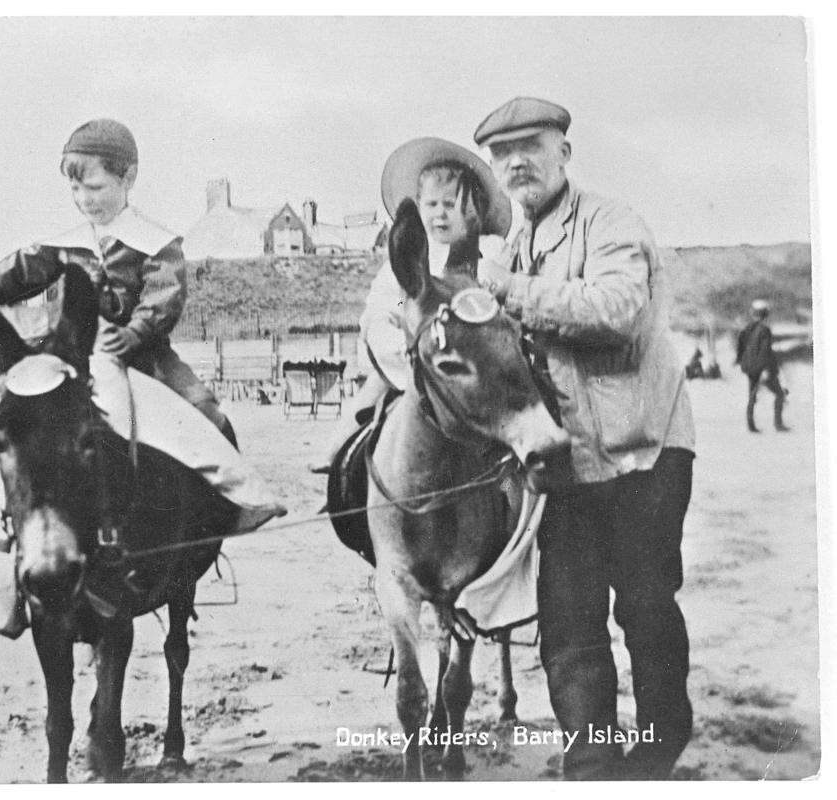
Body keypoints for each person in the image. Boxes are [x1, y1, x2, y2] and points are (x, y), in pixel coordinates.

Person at [474, 97, 697, 780]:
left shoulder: (608, 221)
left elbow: (614, 309)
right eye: (501, 153)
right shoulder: (512, 245)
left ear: (562, 153)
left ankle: (657, 752)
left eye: (530, 147)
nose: (516, 163)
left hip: (642, 453)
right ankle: (593, 766)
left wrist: (509, 291)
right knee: (568, 625)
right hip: (562, 464)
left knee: (644, 606)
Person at [0, 118, 229, 436]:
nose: (85, 199)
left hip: (144, 355)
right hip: (72, 356)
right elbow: (17, 272)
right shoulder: (66, 241)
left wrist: (134, 334)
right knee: (6, 419)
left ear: (129, 177)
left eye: (96, 187)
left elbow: (163, 296)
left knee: (207, 415)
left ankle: (232, 485)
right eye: (75, 188)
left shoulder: (154, 241)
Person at [311, 137, 513, 472]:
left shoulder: (490, 252)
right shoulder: (407, 260)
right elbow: (379, 312)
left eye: (452, 205)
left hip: (469, 366)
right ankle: (341, 459)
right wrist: (401, 352)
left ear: (473, 210)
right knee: (367, 400)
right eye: (432, 205)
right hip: (409, 361)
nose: (441, 214)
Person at [734, 299, 788, 432]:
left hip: (750, 367)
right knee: (780, 394)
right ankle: (778, 424)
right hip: (763, 367)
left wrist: (741, 361)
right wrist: (765, 369)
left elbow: (740, 346)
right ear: (765, 314)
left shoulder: (747, 328)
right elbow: (765, 351)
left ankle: (750, 425)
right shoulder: (765, 330)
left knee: (752, 395)